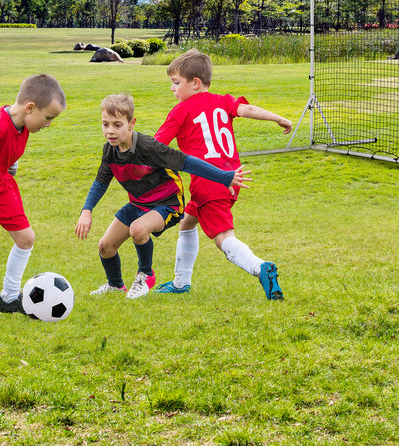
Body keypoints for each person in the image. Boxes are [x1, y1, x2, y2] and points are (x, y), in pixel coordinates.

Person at [75, 93, 251, 299]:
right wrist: (86, 211)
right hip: (138, 204)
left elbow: (187, 162)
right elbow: (100, 182)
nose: (110, 131)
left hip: (167, 204)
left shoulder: (148, 147)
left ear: (131, 124)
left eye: (117, 125)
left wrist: (224, 177)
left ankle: (145, 275)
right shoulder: (110, 151)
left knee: (138, 229)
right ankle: (115, 285)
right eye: (105, 124)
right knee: (105, 246)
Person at [153, 49, 292, 300]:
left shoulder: (180, 111)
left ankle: (259, 267)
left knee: (224, 239)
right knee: (187, 222)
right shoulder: (223, 101)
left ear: (195, 83)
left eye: (175, 83)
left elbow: (156, 146)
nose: (172, 89)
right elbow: (248, 110)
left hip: (208, 182)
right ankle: (181, 281)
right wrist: (278, 118)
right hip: (231, 177)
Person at [1, 74, 66, 313]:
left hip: (4, 187)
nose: (48, 124)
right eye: (48, 117)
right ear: (30, 108)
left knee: (26, 239)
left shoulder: (23, 125)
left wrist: (10, 166)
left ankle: (8, 298)